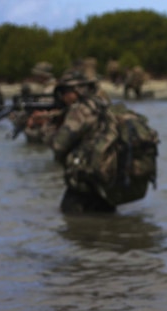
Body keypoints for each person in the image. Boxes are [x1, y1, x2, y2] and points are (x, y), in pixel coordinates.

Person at [41, 70, 120, 213]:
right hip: (105, 184)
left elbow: (58, 146)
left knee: (72, 227)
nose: (63, 96)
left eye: (65, 91)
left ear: (76, 91)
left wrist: (46, 127)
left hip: (84, 185)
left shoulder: (80, 110)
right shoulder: (101, 105)